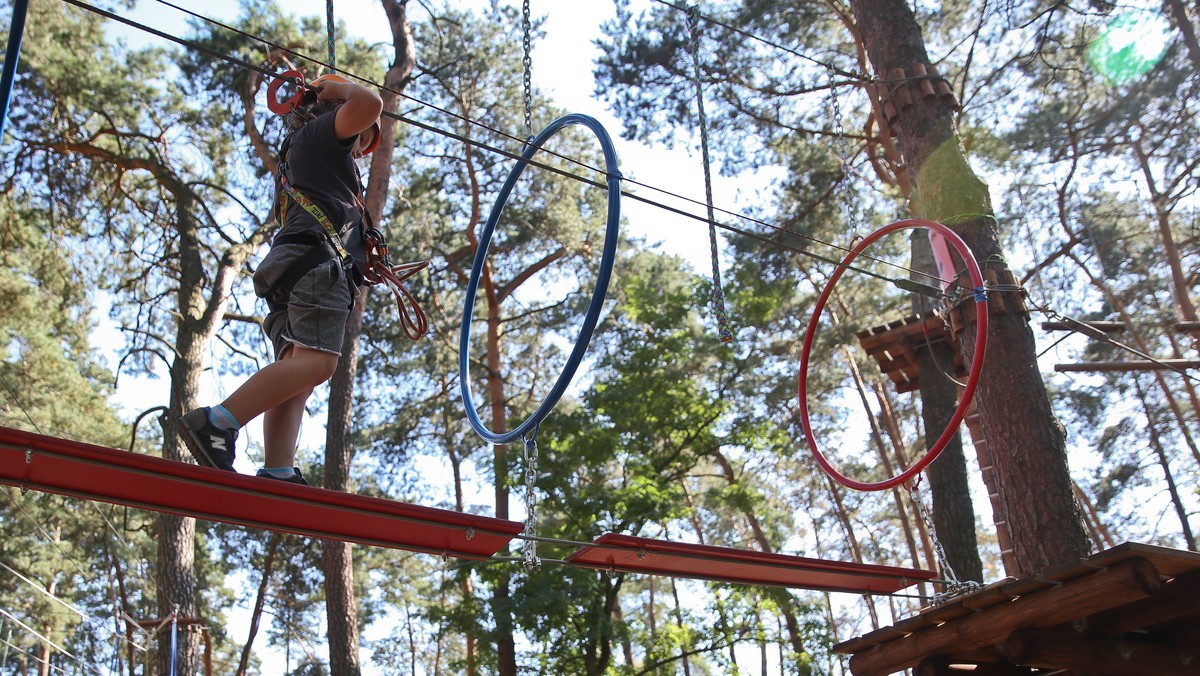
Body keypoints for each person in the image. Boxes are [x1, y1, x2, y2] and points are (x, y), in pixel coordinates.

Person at [178, 73, 383, 486]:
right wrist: (340, 86)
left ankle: (278, 468)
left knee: (296, 372)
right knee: (318, 364)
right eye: (362, 137)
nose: (362, 146)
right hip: (317, 264)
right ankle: (217, 421)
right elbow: (370, 105)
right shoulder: (323, 136)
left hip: (298, 264)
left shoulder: (306, 158)